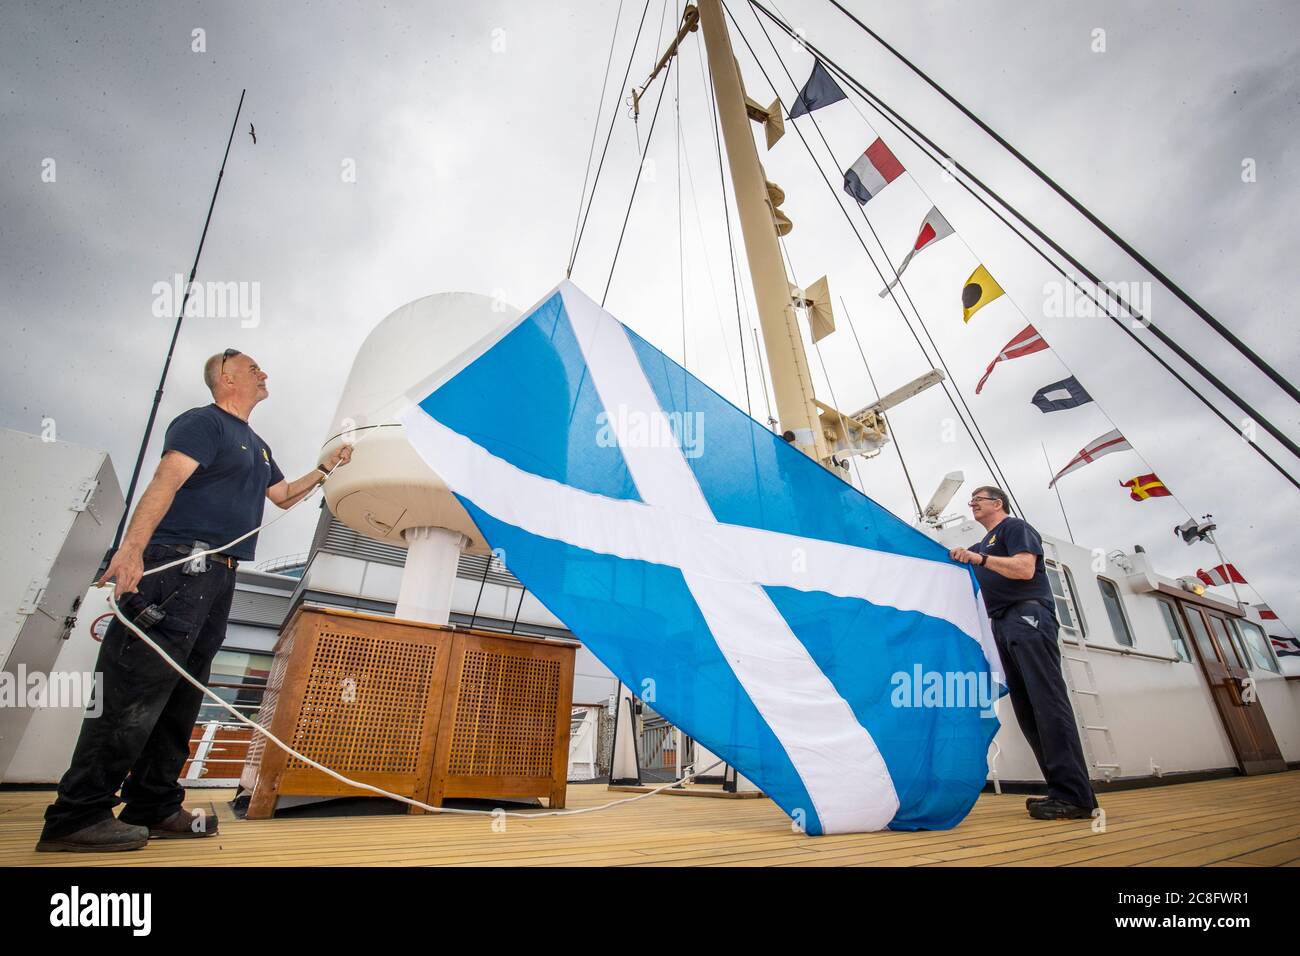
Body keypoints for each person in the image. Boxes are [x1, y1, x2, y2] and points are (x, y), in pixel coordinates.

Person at [36, 349, 352, 851]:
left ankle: (154, 802)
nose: (263, 373)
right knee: (134, 692)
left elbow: (284, 495)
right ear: (227, 379)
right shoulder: (202, 424)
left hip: (219, 577)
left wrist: (325, 468)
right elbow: (167, 479)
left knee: (184, 693)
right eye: (253, 368)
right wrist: (132, 551)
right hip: (177, 566)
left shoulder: (260, 446)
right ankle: (77, 815)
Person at [949, 485, 1098, 821]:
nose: (972, 504)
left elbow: (1024, 569)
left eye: (978, 500)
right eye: (970, 500)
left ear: (997, 503)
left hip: (1027, 616)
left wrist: (981, 559)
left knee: (1048, 702)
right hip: (1002, 623)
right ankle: (1061, 790)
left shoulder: (1014, 529)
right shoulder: (982, 544)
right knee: (1028, 710)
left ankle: (1077, 796)